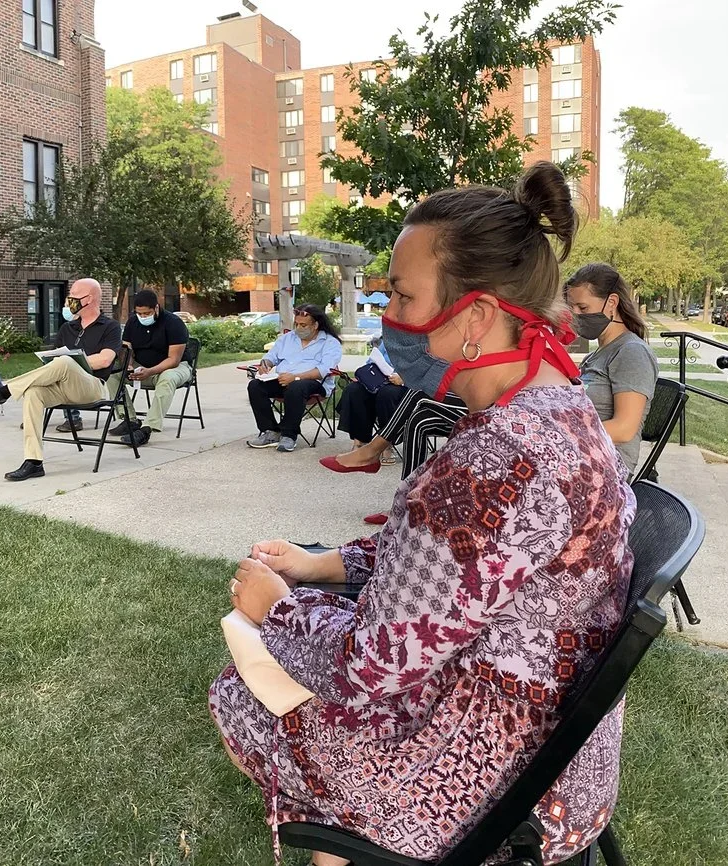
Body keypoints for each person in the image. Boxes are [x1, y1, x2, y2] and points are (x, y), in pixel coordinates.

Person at [212, 163, 630, 866]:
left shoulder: (498, 454)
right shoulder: (558, 405)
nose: (390, 317)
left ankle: (343, 839)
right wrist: (326, 565)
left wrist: (278, 606)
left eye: (403, 296)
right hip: (560, 756)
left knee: (242, 686)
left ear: (475, 316)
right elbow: (459, 561)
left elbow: (375, 664)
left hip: (486, 772)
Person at [0, 277, 124, 481]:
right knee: (33, 393)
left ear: (89, 299)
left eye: (74, 296)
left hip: (93, 387)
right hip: (63, 387)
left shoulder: (110, 326)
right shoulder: (67, 328)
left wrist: (74, 362)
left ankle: (4, 391)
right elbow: (54, 362)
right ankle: (34, 462)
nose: (69, 301)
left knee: (65, 361)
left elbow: (104, 359)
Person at [567, 263, 658, 477]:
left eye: (583, 308)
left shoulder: (632, 352)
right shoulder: (596, 355)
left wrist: (564, 434)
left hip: (607, 467)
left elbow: (625, 428)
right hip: (580, 455)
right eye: (572, 309)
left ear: (612, 303)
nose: (575, 316)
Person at [243, 304, 344, 453]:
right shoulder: (288, 338)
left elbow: (324, 370)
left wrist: (295, 377)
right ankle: (271, 431)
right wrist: (266, 364)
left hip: (314, 383)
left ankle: (289, 435)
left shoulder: (330, 342)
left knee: (296, 387)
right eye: (296, 324)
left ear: (315, 325)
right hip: (283, 379)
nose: (299, 328)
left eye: (303, 325)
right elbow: (271, 356)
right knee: (255, 386)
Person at [116, 289, 190, 446]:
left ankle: (147, 428)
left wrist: (150, 371)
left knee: (167, 378)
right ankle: (129, 419)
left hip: (174, 367)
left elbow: (174, 360)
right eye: (139, 313)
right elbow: (126, 349)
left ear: (156, 308)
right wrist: (128, 365)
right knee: (112, 373)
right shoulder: (132, 322)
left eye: (147, 313)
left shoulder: (173, 323)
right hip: (142, 367)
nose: (143, 317)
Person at [330, 337, 409, 455]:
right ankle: (359, 441)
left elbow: (424, 369)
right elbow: (373, 361)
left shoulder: (422, 339)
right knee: (354, 390)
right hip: (381, 379)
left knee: (386, 394)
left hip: (405, 385)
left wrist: (404, 378)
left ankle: (386, 444)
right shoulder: (390, 337)